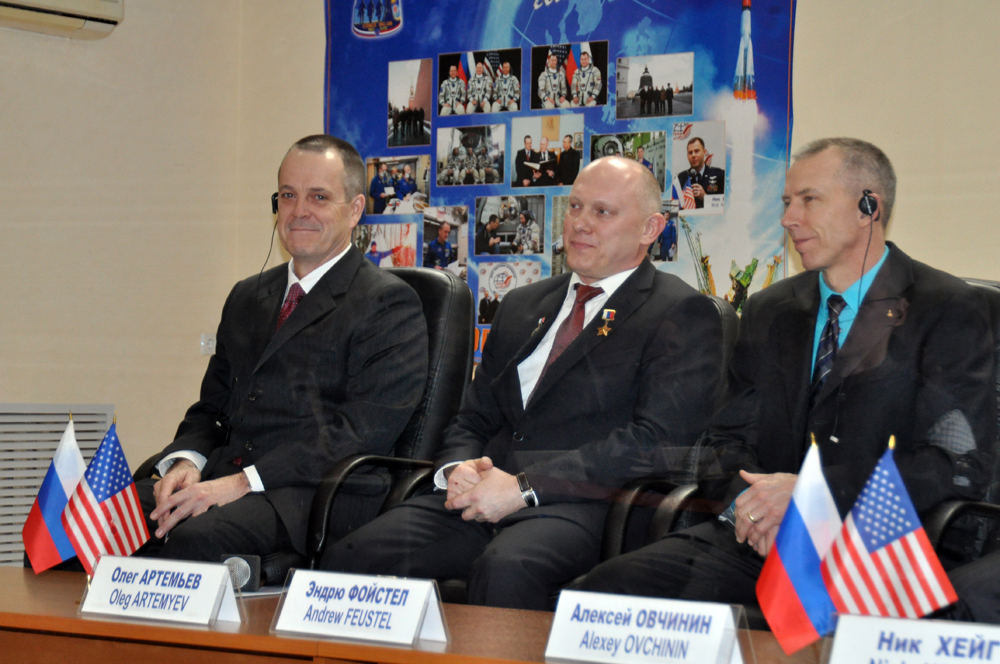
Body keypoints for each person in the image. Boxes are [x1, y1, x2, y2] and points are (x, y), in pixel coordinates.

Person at [580, 138, 997, 611]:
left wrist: (812, 498)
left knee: (801, 623)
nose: (788, 219)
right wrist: (755, 507)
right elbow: (724, 442)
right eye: (786, 202)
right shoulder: (771, 309)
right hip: (762, 539)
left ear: (869, 207)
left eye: (809, 200)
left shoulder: (946, 308)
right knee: (606, 592)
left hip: (877, 544)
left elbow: (955, 464)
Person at [321, 156, 726, 610]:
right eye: (575, 207)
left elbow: (655, 441)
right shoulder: (521, 304)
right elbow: (473, 417)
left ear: (650, 228)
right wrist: (457, 468)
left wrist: (525, 486)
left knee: (507, 568)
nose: (580, 223)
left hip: (589, 507)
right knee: (349, 556)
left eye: (602, 212)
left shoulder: (680, 313)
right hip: (483, 495)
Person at [138, 135, 428, 563]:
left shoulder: (388, 303)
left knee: (196, 539)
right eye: (288, 195)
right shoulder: (247, 296)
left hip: (312, 495)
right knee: (87, 522)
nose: (299, 211)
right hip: (223, 477)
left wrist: (242, 483)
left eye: (319, 197)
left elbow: (356, 433)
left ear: (355, 210)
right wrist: (187, 462)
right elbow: (211, 409)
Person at [674, 137, 724, 209]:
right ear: (687, 156)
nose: (693, 155)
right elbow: (676, 206)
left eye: (696, 151)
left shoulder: (719, 175)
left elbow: (725, 204)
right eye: (690, 152)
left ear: (704, 152)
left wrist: (705, 197)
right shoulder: (681, 178)